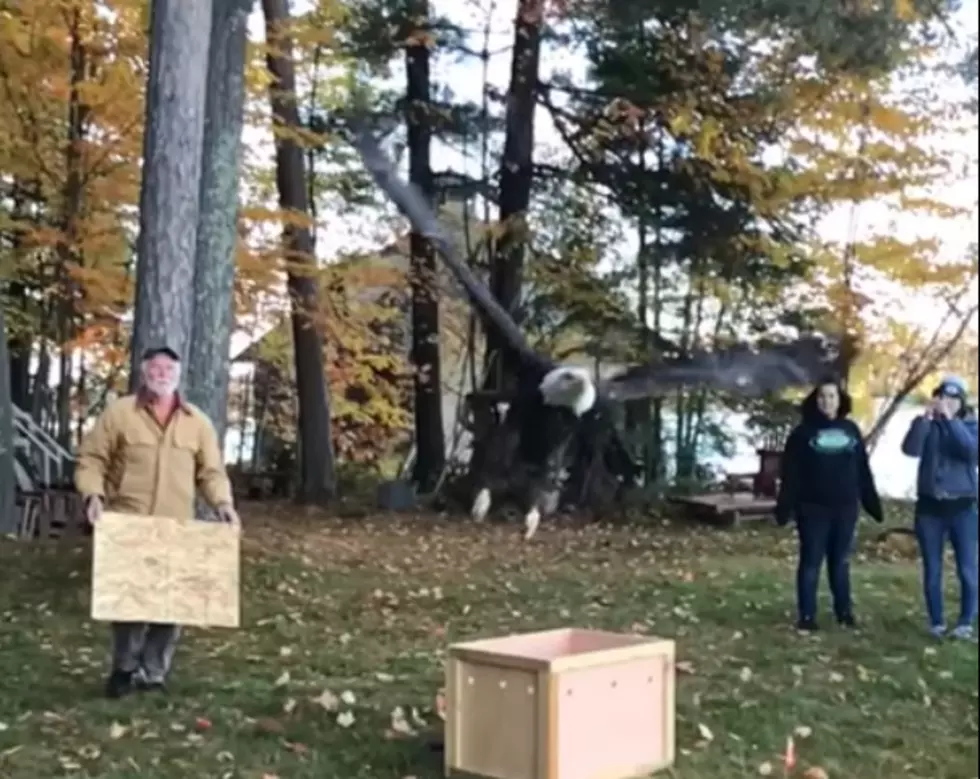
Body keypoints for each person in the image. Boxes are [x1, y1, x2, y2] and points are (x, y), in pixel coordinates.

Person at [75, 345, 240, 698]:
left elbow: (211, 472)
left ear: (178, 376)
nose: (162, 374)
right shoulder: (119, 414)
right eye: (156, 367)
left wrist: (223, 504)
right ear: (144, 372)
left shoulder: (197, 423)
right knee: (129, 604)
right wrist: (93, 495)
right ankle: (123, 670)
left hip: (176, 527)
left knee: (171, 606)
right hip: (128, 524)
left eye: (169, 369)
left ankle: (154, 674)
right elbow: (92, 459)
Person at [775, 377, 884, 631]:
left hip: (845, 508)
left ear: (840, 400)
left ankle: (844, 612)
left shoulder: (851, 430)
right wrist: (784, 508)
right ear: (815, 400)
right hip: (812, 509)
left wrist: (872, 503)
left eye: (832, 396)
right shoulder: (802, 434)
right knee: (811, 561)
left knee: (840, 561)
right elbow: (790, 474)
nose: (827, 401)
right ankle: (807, 616)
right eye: (822, 397)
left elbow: (862, 469)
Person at [900, 375, 978, 640]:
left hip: (963, 509)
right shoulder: (926, 424)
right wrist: (924, 419)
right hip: (929, 510)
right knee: (932, 569)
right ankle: (936, 622)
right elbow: (910, 449)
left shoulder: (971, 425)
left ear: (962, 403)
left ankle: (966, 622)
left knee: (967, 569)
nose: (948, 403)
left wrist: (952, 421)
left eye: (954, 399)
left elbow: (970, 451)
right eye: (944, 397)